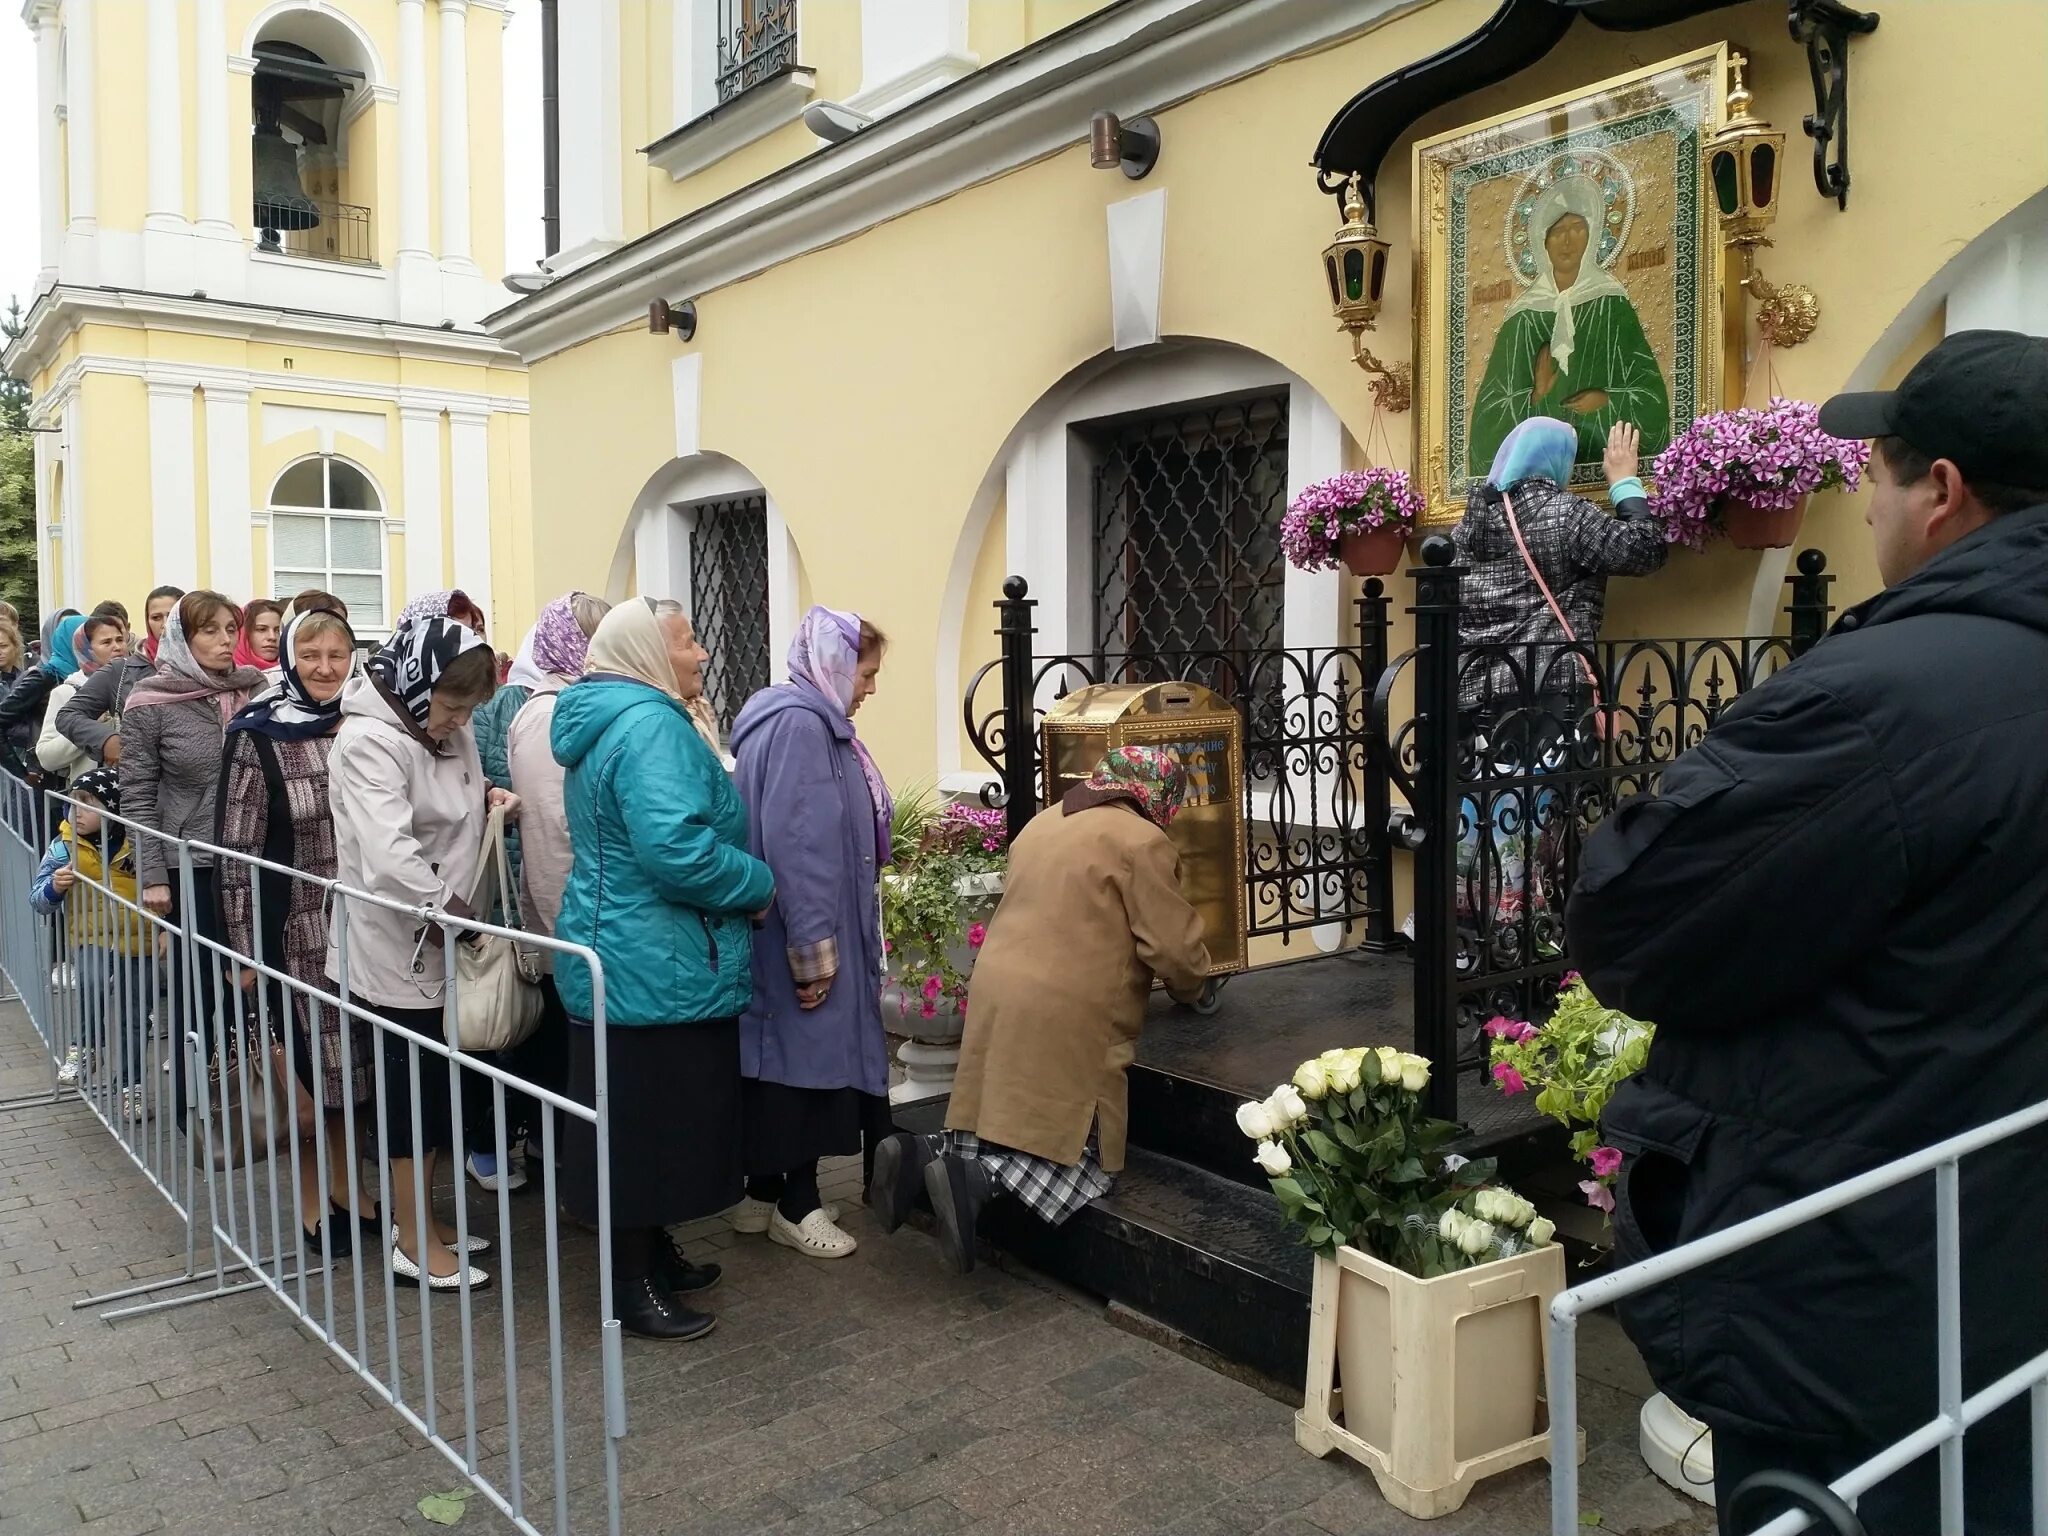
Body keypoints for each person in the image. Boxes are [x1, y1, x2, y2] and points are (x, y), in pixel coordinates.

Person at [1566, 329, 2048, 1536]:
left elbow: (1632, 918)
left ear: (1937, 492)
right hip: (2000, 1254)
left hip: (1861, 1288)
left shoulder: (1885, 697)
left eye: (1869, 476)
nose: (1862, 503)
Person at [873, 746, 1210, 1273]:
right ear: (1155, 795)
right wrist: (1195, 985)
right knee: (1081, 1153)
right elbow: (1173, 948)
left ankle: (924, 1154)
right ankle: (983, 1181)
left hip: (997, 987)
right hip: (1070, 1006)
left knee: (1003, 1110)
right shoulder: (1142, 841)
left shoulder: (1043, 823)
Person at [552, 598, 773, 1340]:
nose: (702, 653)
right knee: (644, 1132)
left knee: (638, 1122)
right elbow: (677, 853)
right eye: (686, 642)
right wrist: (759, 884)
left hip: (631, 952)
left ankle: (651, 1255)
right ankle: (631, 1287)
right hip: (654, 960)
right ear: (648, 652)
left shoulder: (616, 716)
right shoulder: (650, 726)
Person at [326, 612, 507, 1293]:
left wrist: (491, 800)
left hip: (448, 932)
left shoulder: (446, 729)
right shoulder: (369, 740)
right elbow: (388, 851)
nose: (458, 721)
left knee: (438, 1091)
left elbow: (455, 805)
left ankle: (422, 1222)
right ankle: (411, 1241)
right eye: (451, 704)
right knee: (409, 1093)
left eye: (468, 709)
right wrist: (445, 909)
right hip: (397, 941)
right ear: (415, 682)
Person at [727, 608, 892, 1259]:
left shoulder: (805, 721)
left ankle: (760, 1196)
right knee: (803, 1072)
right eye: (867, 673)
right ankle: (799, 1205)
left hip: (789, 929)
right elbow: (802, 848)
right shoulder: (802, 727)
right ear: (835, 663)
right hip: (802, 933)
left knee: (783, 1065)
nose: (870, 688)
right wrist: (814, 953)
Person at [215, 608, 377, 1259]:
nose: (325, 668)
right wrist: (244, 952)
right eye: (310, 654)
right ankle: (314, 1203)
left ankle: (353, 1189)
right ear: (288, 657)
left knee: (357, 1074)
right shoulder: (257, 734)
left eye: (338, 655)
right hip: (295, 930)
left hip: (363, 925)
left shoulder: (365, 726)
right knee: (310, 1084)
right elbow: (235, 852)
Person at [477, 591, 611, 1194]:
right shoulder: (550, 713)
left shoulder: (559, 707)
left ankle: (560, 1164)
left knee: (564, 1055)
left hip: (567, 913)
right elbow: (560, 829)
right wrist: (576, 923)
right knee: (565, 1057)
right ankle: (566, 1172)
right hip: (569, 916)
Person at [121, 593, 267, 1130]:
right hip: (192, 866)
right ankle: (197, 1102)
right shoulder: (150, 701)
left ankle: (256, 1090)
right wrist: (153, 874)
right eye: (211, 631)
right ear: (184, 638)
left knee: (255, 979)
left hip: (253, 862)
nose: (226, 640)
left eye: (232, 629)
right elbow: (136, 793)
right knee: (199, 986)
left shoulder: (254, 691)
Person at [1469, 171, 1672, 470]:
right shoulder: (1522, 317)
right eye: (1557, 231)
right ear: (1543, 242)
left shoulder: (1611, 303)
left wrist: (1606, 400)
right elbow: (1486, 421)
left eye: (1577, 227)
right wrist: (1536, 396)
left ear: (1593, 235)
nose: (1567, 239)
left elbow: (1651, 397)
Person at [30, 767, 151, 1117]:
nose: (77, 811)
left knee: (134, 1015)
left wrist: (161, 932)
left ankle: (132, 1086)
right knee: (93, 980)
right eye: (74, 802)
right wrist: (54, 886)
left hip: (136, 939)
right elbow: (37, 899)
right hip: (91, 937)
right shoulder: (64, 846)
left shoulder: (140, 843)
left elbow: (161, 889)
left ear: (113, 809)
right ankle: (85, 1046)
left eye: (88, 803)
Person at [36, 610, 126, 786]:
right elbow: (46, 757)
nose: (117, 647)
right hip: (90, 803)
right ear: (87, 649)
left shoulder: (135, 683)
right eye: (106, 642)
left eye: (120, 639)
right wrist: (91, 729)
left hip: (135, 797)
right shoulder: (68, 692)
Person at [235, 600, 285, 672]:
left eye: (278, 631)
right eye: (262, 629)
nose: (272, 637)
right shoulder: (223, 676)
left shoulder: (294, 673)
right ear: (243, 634)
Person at [140, 586, 183, 664]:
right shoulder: (126, 669)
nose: (165, 624)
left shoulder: (206, 662)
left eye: (172, 616)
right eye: (156, 618)